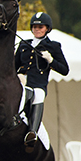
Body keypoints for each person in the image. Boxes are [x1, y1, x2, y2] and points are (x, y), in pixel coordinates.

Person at [15, 12, 70, 151]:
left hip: (38, 84)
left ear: (47, 29)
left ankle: (32, 132)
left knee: (38, 96)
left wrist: (51, 60)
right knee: (19, 103)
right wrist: (19, 74)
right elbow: (13, 66)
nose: (37, 29)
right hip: (22, 84)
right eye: (34, 27)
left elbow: (65, 70)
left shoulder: (53, 46)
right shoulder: (24, 44)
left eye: (40, 27)